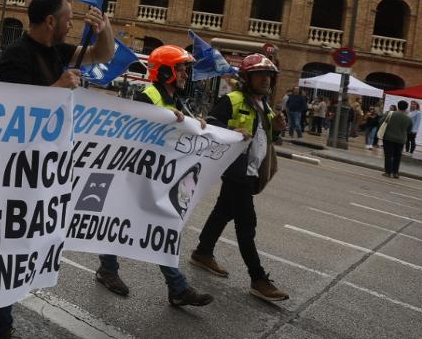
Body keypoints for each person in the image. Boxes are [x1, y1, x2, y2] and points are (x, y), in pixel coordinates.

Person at [0, 0, 114, 339]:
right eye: (69, 17)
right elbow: (10, 113)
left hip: (45, 172)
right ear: (49, 22)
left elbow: (103, 55)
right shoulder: (15, 57)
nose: (73, 24)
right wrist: (58, 88)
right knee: (5, 249)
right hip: (13, 172)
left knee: (24, 245)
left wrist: (104, 28)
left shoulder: (61, 52)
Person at [94, 45, 214, 308]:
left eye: (185, 68)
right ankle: (108, 269)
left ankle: (177, 287)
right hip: (135, 174)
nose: (185, 73)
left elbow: (184, 130)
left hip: (158, 178)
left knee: (160, 229)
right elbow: (131, 128)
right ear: (165, 72)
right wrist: (161, 119)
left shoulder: (179, 100)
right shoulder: (148, 96)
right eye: (180, 68)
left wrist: (199, 125)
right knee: (119, 222)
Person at [191, 53, 290, 302]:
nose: (266, 80)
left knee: (223, 211)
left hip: (250, 171)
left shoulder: (263, 106)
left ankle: (203, 251)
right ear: (247, 77)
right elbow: (210, 127)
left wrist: (276, 130)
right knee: (247, 225)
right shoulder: (232, 100)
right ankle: (258, 279)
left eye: (269, 75)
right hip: (235, 171)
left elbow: (265, 139)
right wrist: (230, 130)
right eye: (260, 75)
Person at [380, 100, 413, 178]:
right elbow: (409, 130)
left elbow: (381, 122)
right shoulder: (408, 119)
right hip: (400, 140)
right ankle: (396, 173)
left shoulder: (390, 114)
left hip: (388, 138)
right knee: (397, 156)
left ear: (398, 106)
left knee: (388, 155)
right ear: (406, 108)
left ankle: (388, 172)